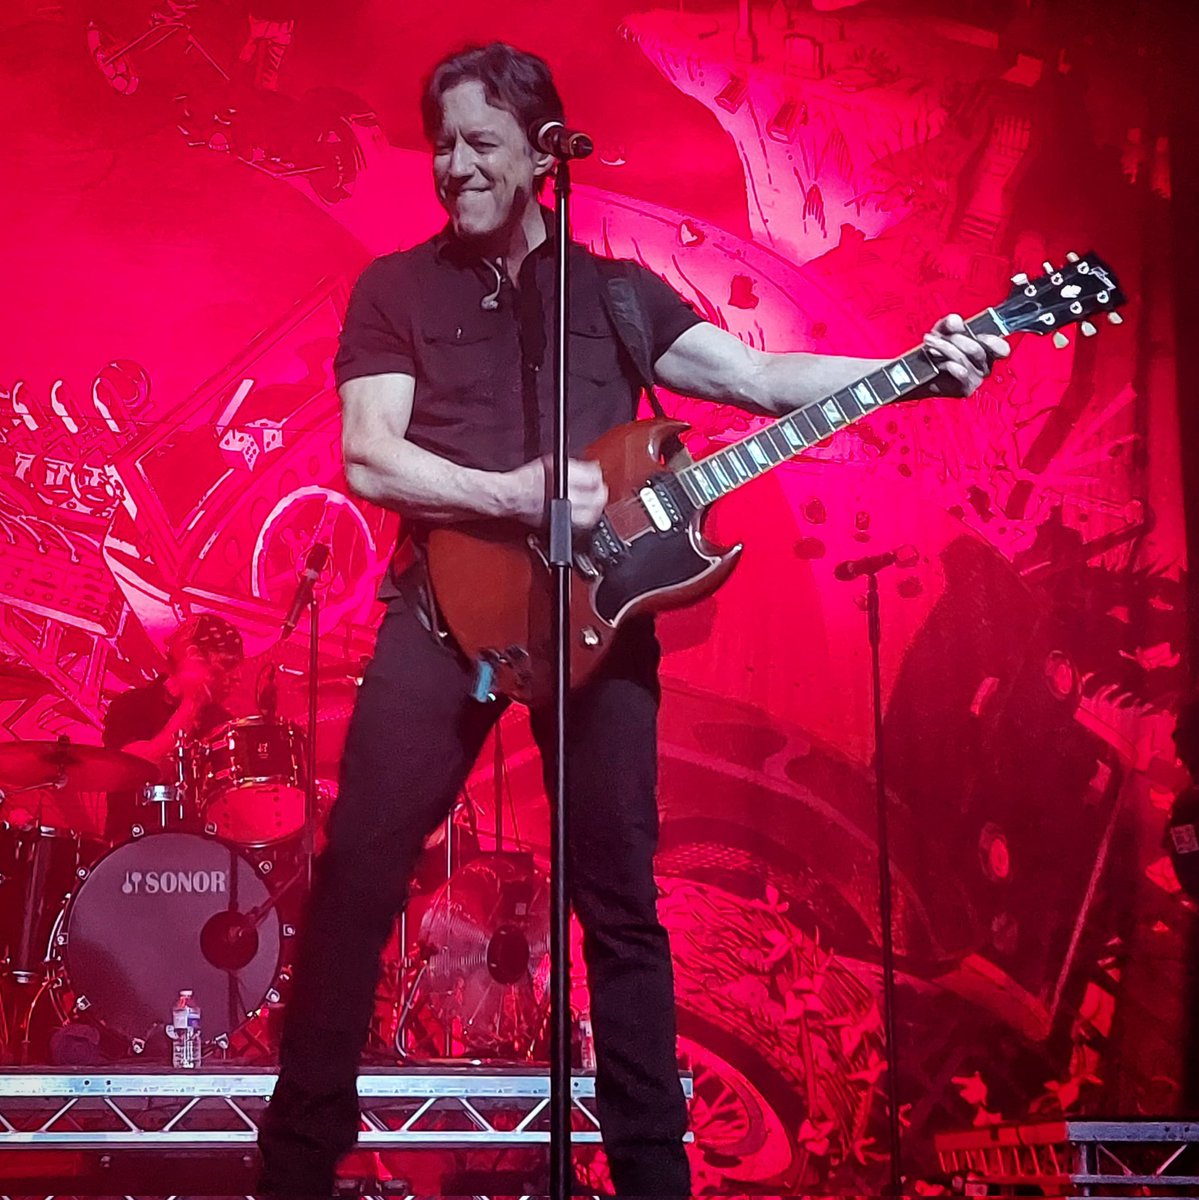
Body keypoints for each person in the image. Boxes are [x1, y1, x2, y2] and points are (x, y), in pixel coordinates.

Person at [258, 41, 1010, 1197]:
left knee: (619, 901)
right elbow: (370, 454)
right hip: (436, 620)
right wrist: (514, 493)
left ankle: (653, 1174)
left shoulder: (613, 294)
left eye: (478, 143)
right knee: (358, 874)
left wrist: (916, 367)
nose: (453, 165)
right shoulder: (396, 290)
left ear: (538, 151)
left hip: (596, 627)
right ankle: (297, 1163)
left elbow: (760, 380)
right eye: (441, 144)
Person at [102, 612, 243, 841]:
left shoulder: (224, 724)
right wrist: (192, 702)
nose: (236, 677)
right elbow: (138, 768)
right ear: (193, 655)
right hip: (132, 850)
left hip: (200, 852)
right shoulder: (129, 705)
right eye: (227, 664)